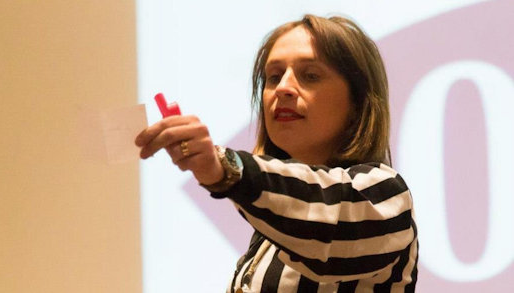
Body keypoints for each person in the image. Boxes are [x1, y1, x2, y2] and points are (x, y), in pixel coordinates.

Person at [136, 14, 418, 293]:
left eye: (310, 75)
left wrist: (223, 166)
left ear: (357, 103)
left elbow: (324, 221)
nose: (282, 88)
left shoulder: (385, 195)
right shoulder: (271, 228)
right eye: (273, 76)